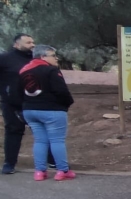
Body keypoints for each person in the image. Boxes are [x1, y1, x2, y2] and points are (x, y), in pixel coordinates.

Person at [16, 45, 75, 181]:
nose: (56, 58)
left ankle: (39, 171)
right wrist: (66, 104)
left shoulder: (24, 71)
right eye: (53, 55)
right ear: (43, 57)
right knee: (57, 140)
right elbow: (61, 91)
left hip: (30, 110)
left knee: (40, 141)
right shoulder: (51, 71)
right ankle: (63, 170)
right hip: (52, 110)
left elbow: (18, 92)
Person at [0, 33, 34, 174]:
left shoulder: (36, 59)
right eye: (28, 42)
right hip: (11, 104)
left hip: (35, 104)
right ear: (16, 44)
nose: (32, 45)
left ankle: (52, 162)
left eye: (33, 42)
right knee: (13, 132)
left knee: (43, 133)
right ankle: (9, 164)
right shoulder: (5, 59)